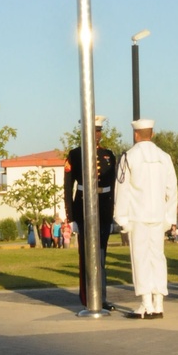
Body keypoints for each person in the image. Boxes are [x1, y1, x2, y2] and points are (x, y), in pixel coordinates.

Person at [114, 119, 178, 319]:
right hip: (159, 215)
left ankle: (146, 304)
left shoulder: (129, 157)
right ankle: (159, 303)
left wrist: (121, 218)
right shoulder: (164, 157)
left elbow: (122, 189)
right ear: (152, 133)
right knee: (158, 258)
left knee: (140, 258)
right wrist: (169, 216)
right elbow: (172, 188)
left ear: (135, 135)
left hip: (138, 216)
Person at [63, 115, 117, 308]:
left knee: (101, 256)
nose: (96, 134)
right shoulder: (75, 155)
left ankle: (101, 297)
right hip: (83, 207)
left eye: (98, 130)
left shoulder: (109, 155)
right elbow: (68, 187)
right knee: (86, 256)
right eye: (92, 130)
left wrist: (112, 216)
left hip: (103, 208)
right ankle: (87, 298)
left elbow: (113, 188)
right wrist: (71, 217)